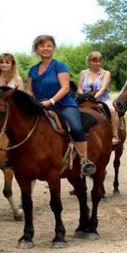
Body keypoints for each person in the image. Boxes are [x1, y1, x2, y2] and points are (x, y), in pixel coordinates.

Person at [26, 34, 95, 176]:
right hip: (40, 106)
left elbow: (64, 87)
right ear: (36, 49)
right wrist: (31, 101)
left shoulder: (59, 66)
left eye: (49, 45)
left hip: (63, 104)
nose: (46, 48)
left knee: (76, 127)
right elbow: (30, 90)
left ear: (53, 48)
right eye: (42, 46)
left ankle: (84, 161)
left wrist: (51, 101)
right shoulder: (32, 69)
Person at [79, 51, 121, 144]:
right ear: (89, 62)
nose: (98, 63)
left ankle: (115, 134)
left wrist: (93, 99)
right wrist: (83, 96)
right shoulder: (83, 73)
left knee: (113, 110)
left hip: (102, 99)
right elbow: (79, 87)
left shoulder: (106, 73)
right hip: (84, 99)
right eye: (95, 61)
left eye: (99, 61)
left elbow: (103, 88)